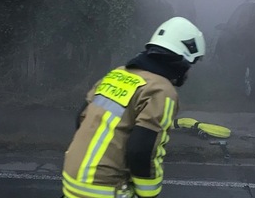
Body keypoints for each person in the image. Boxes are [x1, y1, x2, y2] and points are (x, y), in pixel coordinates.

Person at [61, 17, 206, 198]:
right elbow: (142, 150)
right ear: (183, 60)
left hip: (72, 180)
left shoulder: (117, 74)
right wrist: (148, 194)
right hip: (105, 188)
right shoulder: (162, 90)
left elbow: (81, 118)